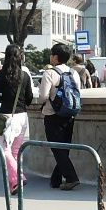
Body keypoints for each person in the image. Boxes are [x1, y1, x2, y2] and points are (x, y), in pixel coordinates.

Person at [38, 41, 81, 191]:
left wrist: (43, 101)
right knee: (64, 147)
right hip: (69, 113)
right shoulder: (73, 72)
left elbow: (43, 96)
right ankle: (56, 179)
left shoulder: (50, 73)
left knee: (56, 147)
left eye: (52, 55)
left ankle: (71, 177)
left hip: (52, 114)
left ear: (55, 57)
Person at [0, 44, 31, 193]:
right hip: (22, 116)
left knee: (4, 150)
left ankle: (19, 177)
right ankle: (13, 183)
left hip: (6, 116)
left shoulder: (1, 75)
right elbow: (29, 98)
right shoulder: (24, 75)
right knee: (15, 151)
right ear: (20, 57)